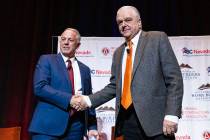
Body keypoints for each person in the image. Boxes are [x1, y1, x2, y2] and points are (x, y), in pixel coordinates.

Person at [72, 6, 183, 140]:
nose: (123, 24)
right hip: (127, 123)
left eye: (128, 20)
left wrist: (172, 114)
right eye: (120, 22)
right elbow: (114, 87)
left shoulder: (157, 39)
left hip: (156, 124)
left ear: (139, 22)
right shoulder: (118, 53)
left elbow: (174, 79)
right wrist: (88, 100)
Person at [28, 28, 99, 140]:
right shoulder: (47, 60)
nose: (66, 42)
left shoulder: (85, 70)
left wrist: (92, 126)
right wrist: (69, 99)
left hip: (76, 129)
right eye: (63, 39)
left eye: (70, 40)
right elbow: (40, 87)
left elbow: (88, 99)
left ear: (78, 45)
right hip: (47, 128)